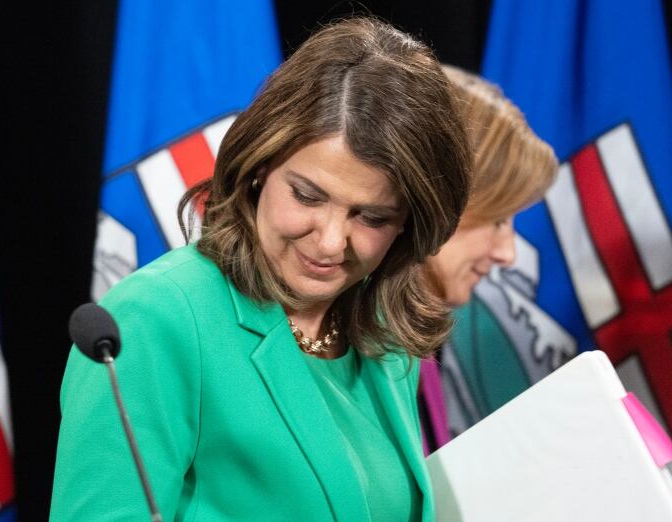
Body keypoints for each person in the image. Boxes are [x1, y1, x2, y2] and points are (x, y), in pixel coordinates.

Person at [50, 18, 471, 521]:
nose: (333, 241)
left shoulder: (382, 327)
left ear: (410, 223)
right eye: (308, 196)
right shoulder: (156, 319)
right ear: (257, 168)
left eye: (372, 216)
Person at [418, 66, 558, 452]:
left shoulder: (415, 350)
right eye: (497, 220)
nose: (507, 254)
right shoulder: (337, 349)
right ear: (434, 200)